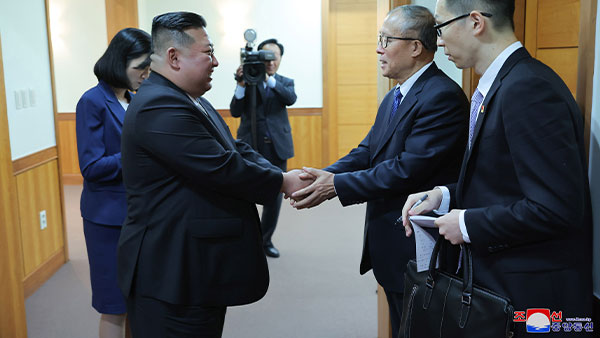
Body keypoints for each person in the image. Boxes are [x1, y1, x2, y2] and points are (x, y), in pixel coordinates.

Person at [401, 0, 593, 336]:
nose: (439, 40)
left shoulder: (528, 88)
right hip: (505, 286)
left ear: (475, 22)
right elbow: (506, 183)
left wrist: (466, 222)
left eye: (441, 27)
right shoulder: (505, 83)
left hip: (533, 299)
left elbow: (557, 208)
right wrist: (445, 196)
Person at [117, 12, 310, 338]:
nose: (217, 62)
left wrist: (280, 174)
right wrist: (282, 182)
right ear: (174, 57)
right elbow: (221, 167)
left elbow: (234, 149)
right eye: (208, 53)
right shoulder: (157, 104)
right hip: (170, 274)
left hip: (196, 267)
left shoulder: (190, 98)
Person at [291, 5, 469, 335]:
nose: (378, 48)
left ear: (415, 46)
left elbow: (405, 170)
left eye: (386, 39)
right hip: (391, 242)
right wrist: (321, 174)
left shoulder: (441, 96)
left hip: (418, 245)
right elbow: (367, 151)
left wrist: (336, 186)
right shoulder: (397, 94)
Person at [75, 27, 151, 338]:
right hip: (106, 219)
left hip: (137, 216)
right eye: (139, 68)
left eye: (149, 67)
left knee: (136, 302)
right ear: (119, 63)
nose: (145, 74)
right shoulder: (92, 101)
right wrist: (136, 153)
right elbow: (91, 167)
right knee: (114, 305)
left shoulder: (133, 99)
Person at [230, 38, 296, 258]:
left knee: (274, 198)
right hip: (250, 146)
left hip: (277, 148)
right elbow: (235, 111)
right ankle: (246, 240)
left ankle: (264, 241)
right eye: (265, 56)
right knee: (243, 194)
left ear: (280, 59)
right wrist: (240, 85)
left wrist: (269, 81)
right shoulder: (249, 81)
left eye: (273, 56)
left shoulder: (285, 82)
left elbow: (290, 98)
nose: (269, 61)